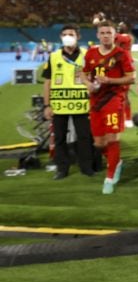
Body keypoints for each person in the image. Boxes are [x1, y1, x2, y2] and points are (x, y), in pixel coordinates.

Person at [80, 20, 135, 194]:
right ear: (98, 35)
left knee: (112, 138)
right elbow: (82, 72)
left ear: (114, 35)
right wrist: (88, 84)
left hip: (114, 99)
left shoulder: (121, 54)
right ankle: (116, 161)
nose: (105, 36)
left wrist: (110, 80)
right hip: (96, 100)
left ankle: (110, 177)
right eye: (102, 33)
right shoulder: (90, 53)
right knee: (99, 142)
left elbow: (131, 78)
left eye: (108, 33)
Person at [41, 25, 94, 179]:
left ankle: (86, 167)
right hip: (59, 105)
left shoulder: (87, 55)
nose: (67, 37)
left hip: (82, 104)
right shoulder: (54, 56)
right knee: (59, 139)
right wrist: (46, 105)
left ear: (78, 36)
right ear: (60, 37)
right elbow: (47, 82)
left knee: (84, 137)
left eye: (71, 34)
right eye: (64, 34)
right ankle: (62, 168)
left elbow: (92, 78)